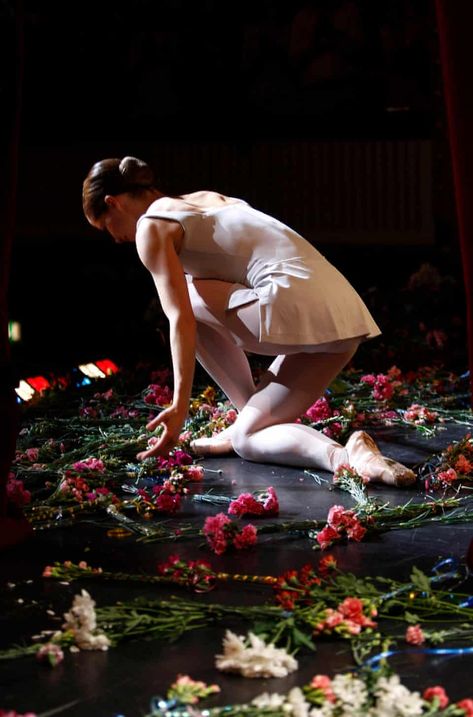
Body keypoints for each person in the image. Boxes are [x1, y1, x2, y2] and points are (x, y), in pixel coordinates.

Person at [82, 156, 416, 487]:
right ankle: (351, 456)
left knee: (182, 293)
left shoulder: (150, 227)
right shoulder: (204, 199)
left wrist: (179, 406)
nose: (114, 238)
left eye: (106, 226)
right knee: (249, 437)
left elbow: (181, 317)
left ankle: (246, 423)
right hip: (344, 314)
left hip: (292, 302)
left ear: (113, 203)